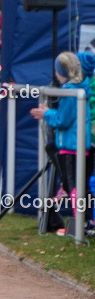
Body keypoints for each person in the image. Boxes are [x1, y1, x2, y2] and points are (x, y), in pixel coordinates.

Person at [30, 52, 93, 234]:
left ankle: (81, 226)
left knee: (73, 188)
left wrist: (46, 114)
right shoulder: (83, 86)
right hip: (82, 145)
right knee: (82, 187)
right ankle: (87, 224)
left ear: (61, 72)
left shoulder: (69, 92)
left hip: (70, 147)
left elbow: (62, 121)